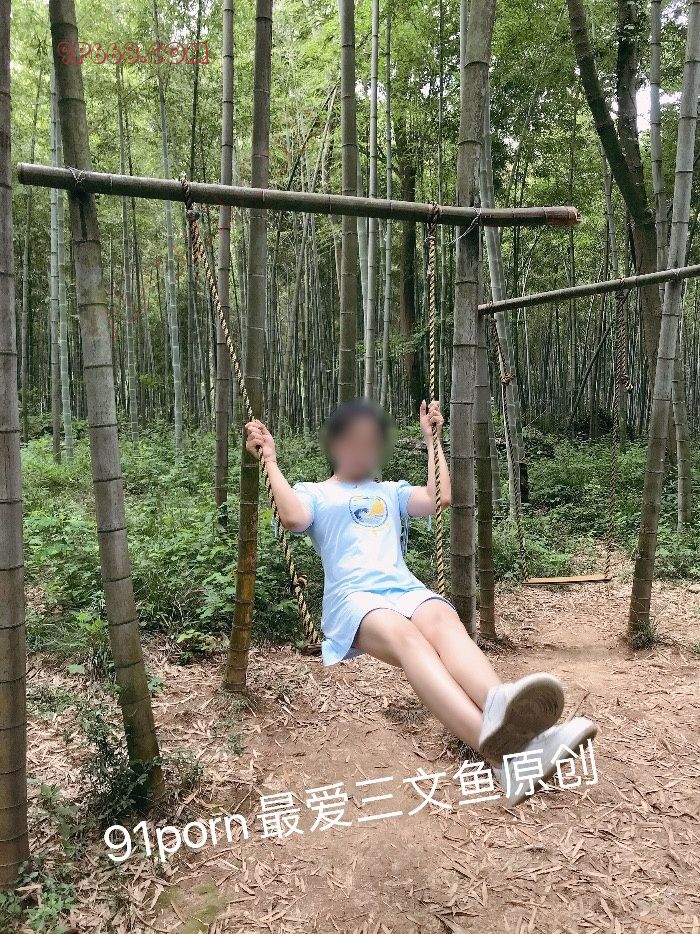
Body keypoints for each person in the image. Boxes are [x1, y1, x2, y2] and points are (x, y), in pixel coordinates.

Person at [245, 399, 597, 806]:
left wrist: (433, 441)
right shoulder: (316, 493)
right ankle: (501, 755)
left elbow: (438, 497)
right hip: (354, 599)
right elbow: (293, 518)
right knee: (408, 638)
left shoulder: (389, 491)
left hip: (404, 589)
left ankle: (502, 710)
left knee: (443, 618)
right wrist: (270, 461)